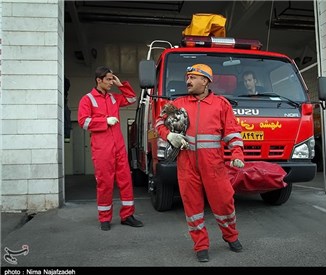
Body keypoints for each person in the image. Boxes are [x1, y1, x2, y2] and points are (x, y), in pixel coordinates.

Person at [156, 64, 245, 262]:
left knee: (224, 202)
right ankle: (201, 246)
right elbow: (159, 123)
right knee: (192, 207)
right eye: (187, 77)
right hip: (186, 166)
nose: (187, 81)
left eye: (193, 77)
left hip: (214, 166)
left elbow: (232, 132)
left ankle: (231, 236)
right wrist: (169, 135)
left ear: (205, 81)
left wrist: (237, 153)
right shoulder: (177, 103)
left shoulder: (221, 104)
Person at [78, 66, 143, 231]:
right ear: (98, 80)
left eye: (112, 79)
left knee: (126, 181)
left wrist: (121, 84)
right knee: (105, 183)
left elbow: (131, 99)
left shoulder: (114, 97)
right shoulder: (87, 99)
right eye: (108, 79)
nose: (111, 83)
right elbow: (83, 122)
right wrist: (104, 121)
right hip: (102, 148)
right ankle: (105, 218)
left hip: (118, 146)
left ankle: (127, 216)